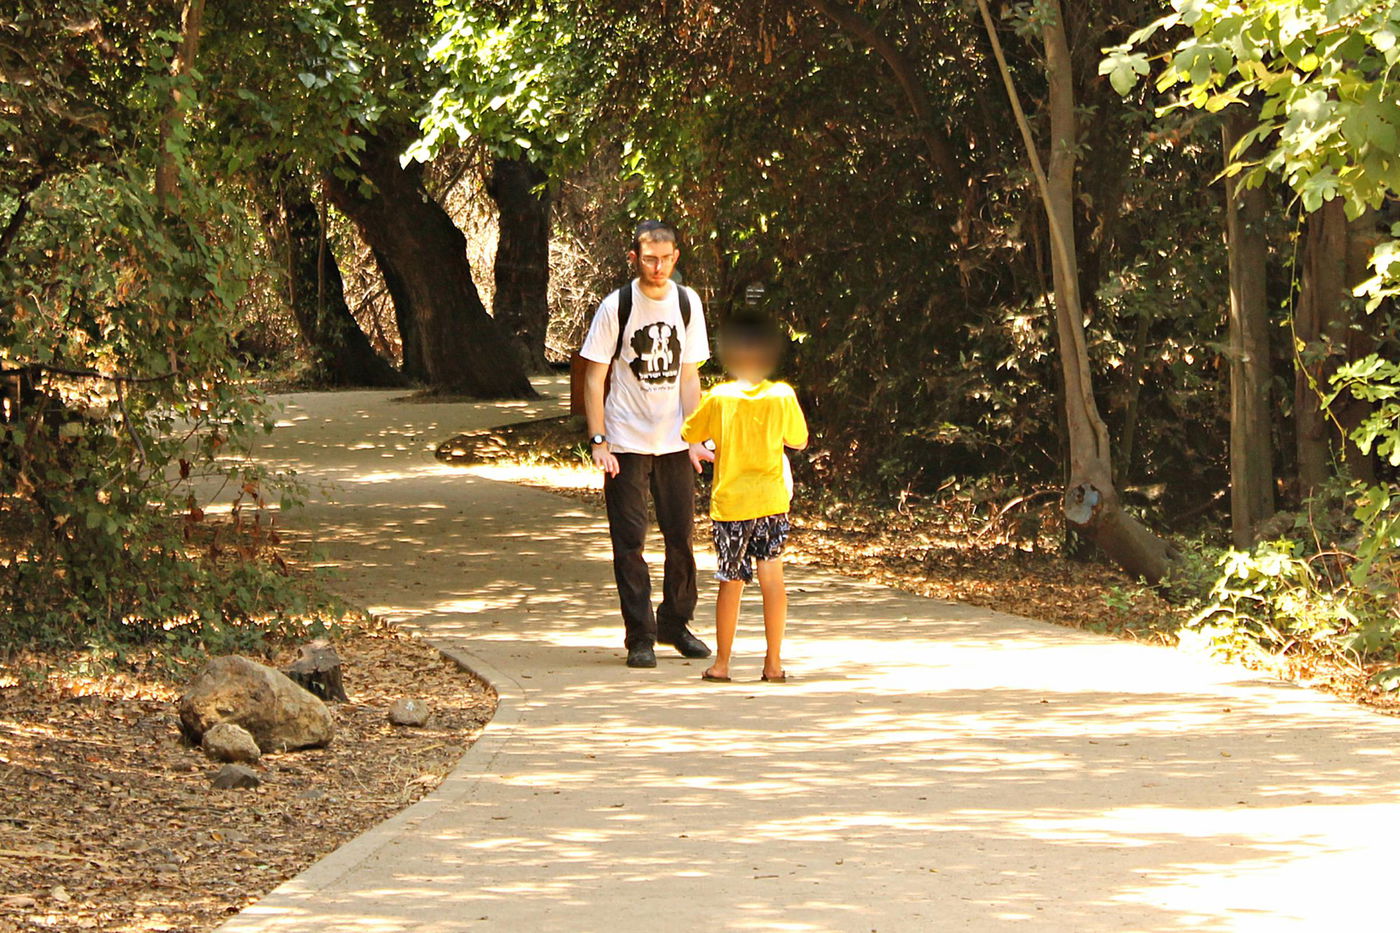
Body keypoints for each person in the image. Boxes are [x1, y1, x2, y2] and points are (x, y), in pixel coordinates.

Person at [581, 221, 715, 668]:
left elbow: (690, 375)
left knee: (681, 537)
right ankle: (640, 635)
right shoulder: (616, 306)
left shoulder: (686, 301)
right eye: (649, 259)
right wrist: (599, 440)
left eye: (666, 258)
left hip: (674, 441)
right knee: (630, 541)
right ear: (635, 259)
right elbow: (595, 375)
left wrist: (697, 436)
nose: (658, 267)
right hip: (626, 440)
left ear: (676, 258)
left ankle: (676, 624)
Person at [681, 311, 808, 683]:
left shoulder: (720, 397)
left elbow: (691, 433)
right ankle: (773, 664)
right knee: (773, 581)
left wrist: (714, 443)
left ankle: (722, 664)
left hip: (732, 503)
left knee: (730, 580)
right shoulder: (782, 395)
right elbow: (798, 440)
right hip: (771, 500)